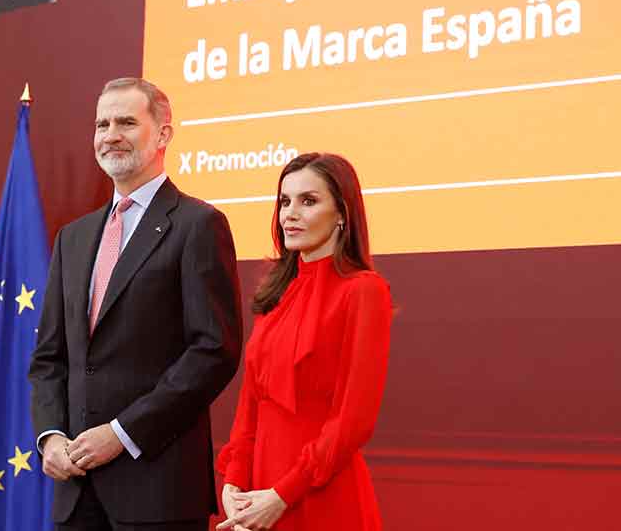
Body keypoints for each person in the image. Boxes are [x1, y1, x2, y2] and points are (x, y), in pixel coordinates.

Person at [29, 77, 242, 531]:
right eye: (101, 123)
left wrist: (121, 434)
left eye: (126, 121)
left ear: (163, 134)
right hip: (75, 492)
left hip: (157, 491)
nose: (110, 134)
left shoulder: (198, 225)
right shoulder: (74, 237)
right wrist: (49, 437)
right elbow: (50, 356)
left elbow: (212, 352)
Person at [215, 153, 392, 531]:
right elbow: (250, 409)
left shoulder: (364, 291)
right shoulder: (277, 295)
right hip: (258, 497)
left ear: (342, 212)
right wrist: (233, 482)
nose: (290, 213)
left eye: (308, 201)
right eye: (284, 201)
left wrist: (283, 494)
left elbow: (353, 421)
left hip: (319, 494)